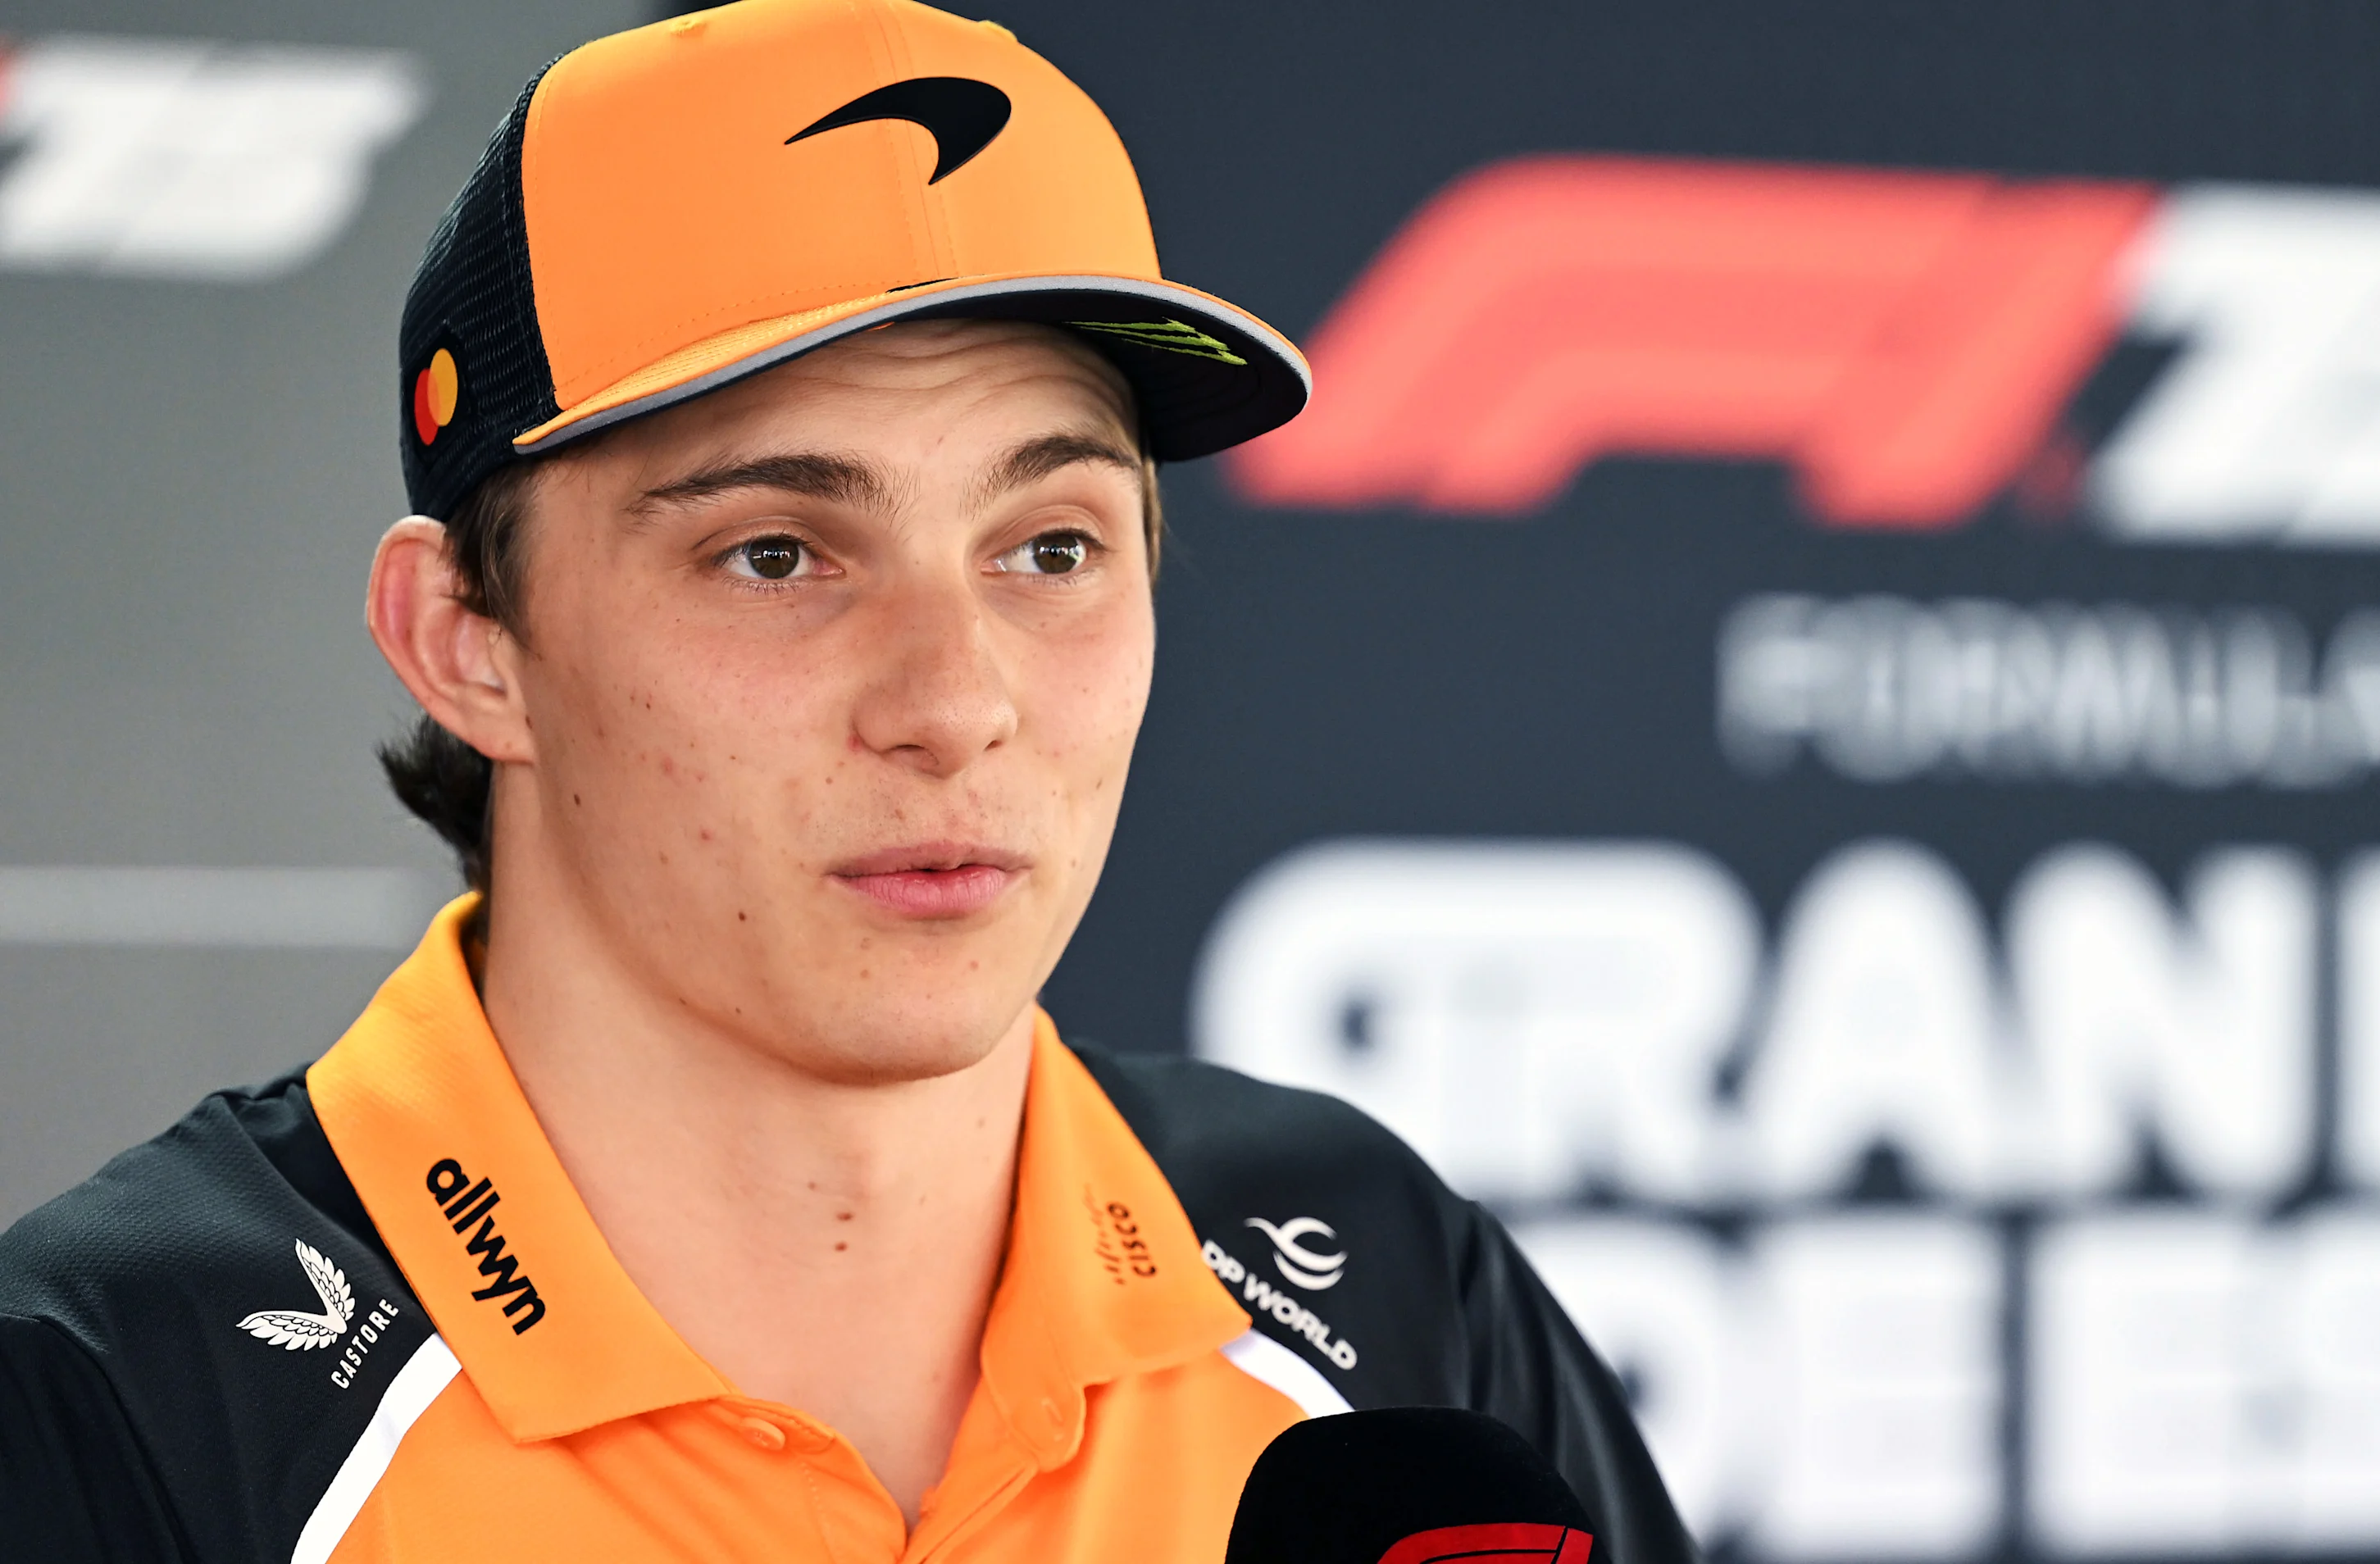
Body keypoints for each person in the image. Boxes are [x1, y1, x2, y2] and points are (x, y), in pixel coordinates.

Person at [0, 3, 1692, 1562]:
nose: (956, 703)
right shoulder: (109, 1390)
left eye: (1050, 547)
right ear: (467, 643)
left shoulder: (1383, 1280)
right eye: (776, 554)